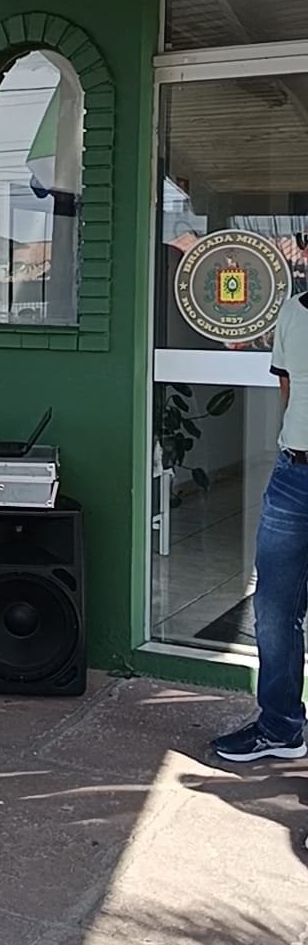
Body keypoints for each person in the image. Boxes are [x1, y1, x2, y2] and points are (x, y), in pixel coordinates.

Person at [212, 290, 308, 762]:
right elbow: (287, 384)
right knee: (272, 608)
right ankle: (280, 727)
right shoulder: (293, 310)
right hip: (294, 474)